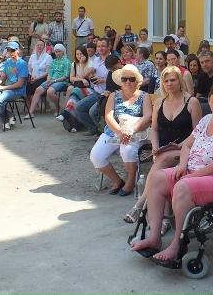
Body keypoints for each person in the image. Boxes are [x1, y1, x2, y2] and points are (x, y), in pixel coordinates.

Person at [129, 81, 213, 261]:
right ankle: (154, 237)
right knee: (156, 178)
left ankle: (177, 244)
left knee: (183, 186)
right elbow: (186, 145)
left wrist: (193, 176)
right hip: (194, 172)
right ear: (209, 99)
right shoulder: (206, 120)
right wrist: (182, 166)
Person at [123, 65, 202, 232]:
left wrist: (180, 145)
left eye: (173, 80)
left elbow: (198, 133)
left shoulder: (192, 102)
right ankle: (164, 218)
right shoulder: (159, 102)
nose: (169, 83)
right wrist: (155, 147)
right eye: (166, 81)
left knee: (164, 160)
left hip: (185, 148)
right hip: (162, 149)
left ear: (180, 82)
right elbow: (154, 130)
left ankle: (140, 205)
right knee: (162, 162)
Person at [90, 64, 152, 196]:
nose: (128, 82)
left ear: (137, 81)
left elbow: (148, 116)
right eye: (124, 79)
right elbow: (108, 116)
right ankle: (117, 180)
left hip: (137, 132)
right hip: (114, 131)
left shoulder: (144, 96)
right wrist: (120, 132)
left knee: (127, 149)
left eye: (131, 79)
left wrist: (130, 131)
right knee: (96, 155)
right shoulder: (114, 95)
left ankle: (131, 180)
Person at [0, 41, 29, 130]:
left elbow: (19, 84)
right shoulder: (7, 62)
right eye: (8, 50)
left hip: (17, 91)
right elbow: (3, 77)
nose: (10, 52)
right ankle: (9, 115)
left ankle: (5, 122)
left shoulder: (22, 64)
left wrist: (3, 87)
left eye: (12, 50)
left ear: (17, 50)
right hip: (6, 89)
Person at [74, 39, 111, 136]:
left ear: (109, 47)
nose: (100, 48)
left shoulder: (112, 59)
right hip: (97, 92)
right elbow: (83, 75)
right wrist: (89, 72)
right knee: (78, 107)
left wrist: (104, 80)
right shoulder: (96, 60)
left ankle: (103, 132)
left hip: (108, 94)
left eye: (103, 46)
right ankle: (94, 129)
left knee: (93, 111)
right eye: (98, 46)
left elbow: (118, 78)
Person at [25, 44, 70, 119]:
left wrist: (54, 81)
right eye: (56, 52)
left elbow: (65, 76)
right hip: (51, 80)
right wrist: (48, 80)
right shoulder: (54, 61)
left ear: (63, 52)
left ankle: (58, 108)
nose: (58, 53)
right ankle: (31, 112)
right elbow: (50, 73)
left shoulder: (67, 62)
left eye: (59, 51)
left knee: (50, 91)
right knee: (38, 90)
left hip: (61, 81)